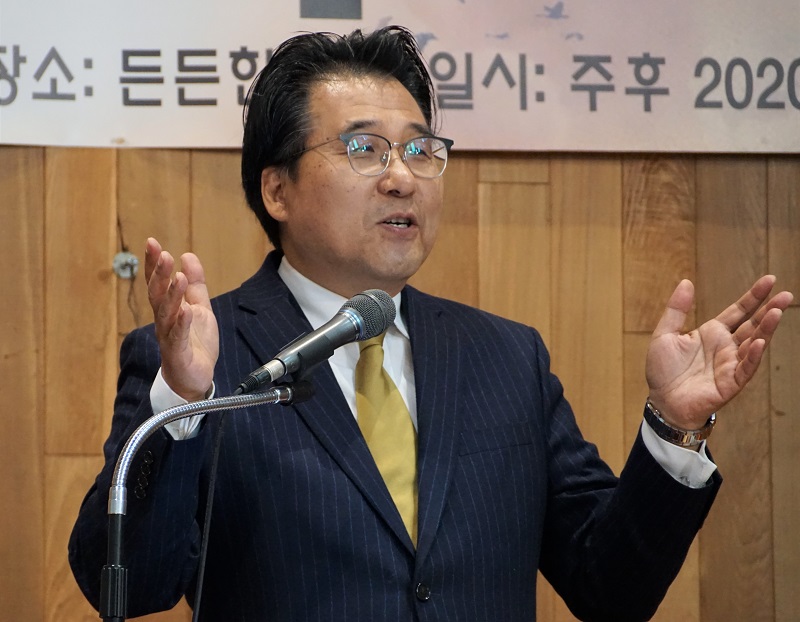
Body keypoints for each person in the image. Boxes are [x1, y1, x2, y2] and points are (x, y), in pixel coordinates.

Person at [68, 25, 793, 621]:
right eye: (363, 149)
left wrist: (671, 428)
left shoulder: (507, 357)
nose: (402, 177)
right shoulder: (202, 359)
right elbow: (128, 587)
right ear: (277, 189)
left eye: (420, 150)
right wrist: (183, 401)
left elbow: (610, 590)